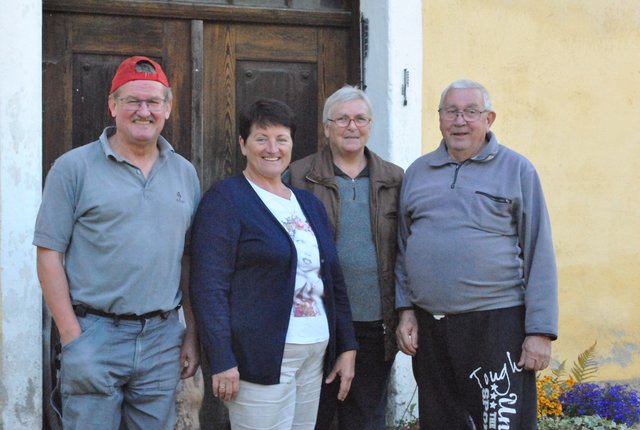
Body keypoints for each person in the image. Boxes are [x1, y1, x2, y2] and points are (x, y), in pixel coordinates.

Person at [33, 56, 201, 430]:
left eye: (153, 102)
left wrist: (191, 332)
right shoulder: (73, 168)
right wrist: (72, 337)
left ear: (168, 108)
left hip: (162, 340)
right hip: (95, 335)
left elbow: (187, 258)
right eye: (132, 101)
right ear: (112, 105)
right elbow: (48, 254)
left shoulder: (184, 172)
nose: (144, 111)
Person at [395, 79, 559, 430]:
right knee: (441, 421)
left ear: (489, 119)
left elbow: (538, 251)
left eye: (471, 112)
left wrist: (540, 331)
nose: (460, 121)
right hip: (431, 327)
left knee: (500, 423)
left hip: (497, 323)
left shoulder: (517, 170)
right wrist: (405, 310)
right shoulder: (417, 173)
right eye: (451, 112)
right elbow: (403, 248)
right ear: (439, 118)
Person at [189, 98, 358, 430]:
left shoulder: (308, 203)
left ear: (292, 144)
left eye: (282, 139)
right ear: (243, 144)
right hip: (259, 356)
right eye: (261, 138)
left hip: (314, 351)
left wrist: (347, 345)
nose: (272, 148)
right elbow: (209, 287)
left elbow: (333, 278)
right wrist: (221, 358)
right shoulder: (226, 200)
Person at [284, 85, 403, 430]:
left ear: (370, 125)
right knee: (312, 418)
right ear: (326, 127)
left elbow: (405, 250)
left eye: (360, 119)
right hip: (317, 322)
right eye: (342, 119)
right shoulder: (299, 177)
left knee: (366, 419)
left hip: (373, 323)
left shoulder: (394, 179)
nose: (352, 127)